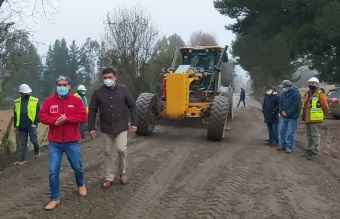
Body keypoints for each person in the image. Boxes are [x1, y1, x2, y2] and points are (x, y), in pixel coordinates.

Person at [38, 76, 87, 211]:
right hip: (55, 142)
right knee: (53, 171)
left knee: (77, 167)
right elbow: (42, 116)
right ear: (56, 86)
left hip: (72, 141)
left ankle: (81, 184)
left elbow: (83, 116)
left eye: (65, 85)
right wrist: (54, 121)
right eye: (60, 84)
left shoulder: (76, 101)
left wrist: (67, 119)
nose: (62, 87)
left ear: (69, 87)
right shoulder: (49, 101)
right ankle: (54, 198)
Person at [88, 67, 137, 188]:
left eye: (110, 77)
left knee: (121, 150)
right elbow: (92, 111)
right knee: (108, 152)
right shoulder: (98, 92)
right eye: (105, 78)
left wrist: (134, 123)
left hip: (121, 126)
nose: (108, 80)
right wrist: (91, 127)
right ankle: (109, 177)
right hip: (106, 127)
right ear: (102, 78)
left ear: (115, 77)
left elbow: (132, 107)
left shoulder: (123, 90)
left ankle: (122, 172)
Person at [301, 77, 329, 160]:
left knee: (315, 136)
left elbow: (325, 106)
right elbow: (304, 105)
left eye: (313, 83)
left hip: (315, 118)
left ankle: (314, 152)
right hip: (307, 117)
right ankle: (309, 149)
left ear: (317, 84)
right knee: (309, 135)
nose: (311, 84)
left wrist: (324, 115)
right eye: (310, 83)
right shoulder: (307, 93)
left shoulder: (320, 93)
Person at [13, 84, 41, 165]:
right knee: (23, 143)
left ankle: (37, 151)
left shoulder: (35, 100)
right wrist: (15, 125)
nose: (25, 94)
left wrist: (35, 123)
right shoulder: (17, 102)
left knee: (33, 140)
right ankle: (24, 158)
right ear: (21, 93)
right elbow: (15, 114)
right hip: (21, 125)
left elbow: (38, 113)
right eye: (24, 93)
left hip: (31, 124)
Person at [276, 80, 301, 154]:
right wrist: (281, 111)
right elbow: (280, 104)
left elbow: (296, 106)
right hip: (284, 116)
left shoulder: (296, 94)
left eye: (283, 87)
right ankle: (283, 145)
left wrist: (287, 114)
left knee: (290, 132)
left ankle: (289, 146)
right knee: (281, 131)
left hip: (292, 117)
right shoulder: (283, 94)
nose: (283, 88)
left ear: (288, 86)